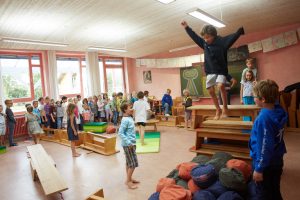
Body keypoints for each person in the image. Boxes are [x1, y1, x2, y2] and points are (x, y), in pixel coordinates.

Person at [181, 21, 244, 119]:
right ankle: (218, 109)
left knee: (221, 85)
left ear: (214, 35)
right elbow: (195, 37)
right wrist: (186, 28)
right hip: (210, 71)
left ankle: (225, 108)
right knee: (210, 91)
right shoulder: (204, 44)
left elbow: (231, 38)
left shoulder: (222, 42)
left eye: (208, 37)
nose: (206, 40)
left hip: (221, 70)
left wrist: (239, 32)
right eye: (204, 38)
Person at [250, 79, 287, 200]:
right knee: (274, 190)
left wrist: (259, 169)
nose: (253, 97)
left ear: (263, 99)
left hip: (266, 165)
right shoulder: (279, 110)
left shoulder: (263, 119)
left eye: (254, 96)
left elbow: (264, 146)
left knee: (262, 193)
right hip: (277, 160)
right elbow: (273, 100)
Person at [118, 103, 139, 189]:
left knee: (128, 162)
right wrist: (129, 142)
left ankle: (129, 178)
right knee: (133, 163)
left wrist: (132, 113)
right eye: (130, 108)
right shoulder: (125, 120)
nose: (131, 109)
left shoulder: (129, 117)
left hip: (131, 143)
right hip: (128, 145)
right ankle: (128, 181)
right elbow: (120, 133)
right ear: (125, 110)